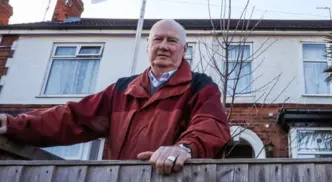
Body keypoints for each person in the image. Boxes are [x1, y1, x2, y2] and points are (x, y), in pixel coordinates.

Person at [0, 19, 231, 175]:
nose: (163, 46)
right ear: (147, 46)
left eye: (172, 41)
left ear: (184, 49)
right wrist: (11, 123)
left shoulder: (200, 86)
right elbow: (71, 118)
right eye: (157, 40)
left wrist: (183, 148)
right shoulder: (122, 89)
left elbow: (212, 125)